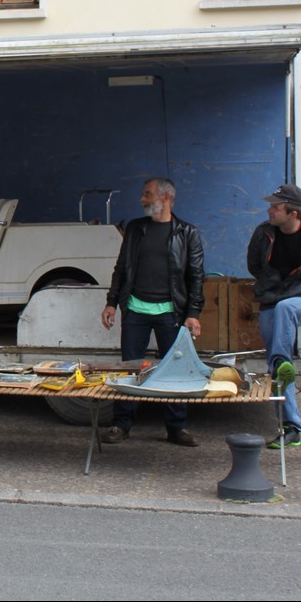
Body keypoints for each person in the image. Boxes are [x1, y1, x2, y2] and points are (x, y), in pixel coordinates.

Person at [100, 177, 205, 447]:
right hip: (135, 309)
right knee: (129, 369)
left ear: (166, 198)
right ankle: (121, 424)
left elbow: (196, 276)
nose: (142, 199)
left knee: (173, 370)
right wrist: (112, 301)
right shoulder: (136, 229)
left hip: (171, 313)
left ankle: (176, 428)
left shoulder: (187, 232)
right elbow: (121, 267)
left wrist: (193, 312)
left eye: (147, 194)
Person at [247, 183, 301, 450]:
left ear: (293, 213)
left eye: (275, 207)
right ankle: (290, 428)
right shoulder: (263, 233)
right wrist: (272, 282)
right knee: (277, 364)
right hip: (270, 299)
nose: (269, 211)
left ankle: (280, 363)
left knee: (286, 311)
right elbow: (253, 265)